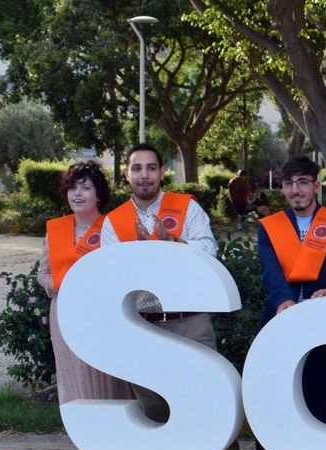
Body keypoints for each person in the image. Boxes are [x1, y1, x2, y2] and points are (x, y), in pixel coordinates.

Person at [99, 143, 220, 425]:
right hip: (144, 325)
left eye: (151, 168)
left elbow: (210, 251)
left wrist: (176, 244)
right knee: (156, 409)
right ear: (126, 174)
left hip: (190, 322)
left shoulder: (186, 208)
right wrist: (141, 256)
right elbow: (110, 275)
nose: (144, 175)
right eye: (137, 168)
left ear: (162, 171)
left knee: (208, 400)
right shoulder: (114, 222)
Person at [254, 156, 326, 432]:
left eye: (302, 182)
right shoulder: (269, 226)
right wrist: (283, 299)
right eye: (289, 183)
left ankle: (315, 449)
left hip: (322, 317)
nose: (295, 190)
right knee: (274, 391)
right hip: (279, 314)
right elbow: (270, 269)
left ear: (316, 186)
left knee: (317, 389)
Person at [35, 160, 133, 405]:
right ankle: (78, 420)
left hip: (103, 311)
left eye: (86, 188)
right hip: (64, 310)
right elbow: (43, 273)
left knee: (105, 371)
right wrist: (56, 285)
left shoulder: (114, 228)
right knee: (71, 370)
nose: (77, 194)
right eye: (73, 188)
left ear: (98, 195)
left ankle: (112, 421)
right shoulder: (55, 229)